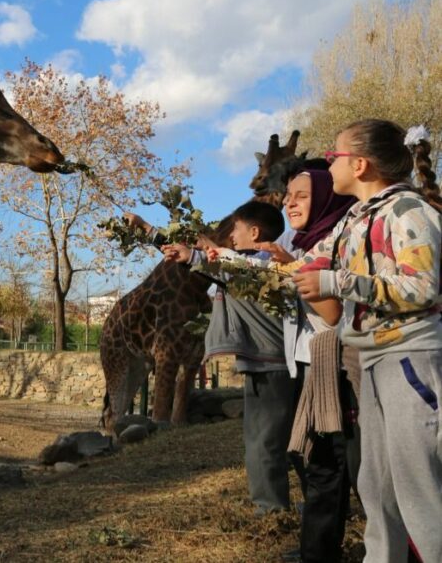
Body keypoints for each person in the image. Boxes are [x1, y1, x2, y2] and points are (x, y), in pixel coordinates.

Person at [290, 119, 442, 563]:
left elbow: (423, 287)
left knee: (420, 487)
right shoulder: (353, 221)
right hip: (375, 361)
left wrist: (336, 281)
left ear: (359, 164)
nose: (329, 163)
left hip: (410, 358)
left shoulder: (408, 212)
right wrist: (208, 256)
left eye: (333, 155)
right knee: (378, 487)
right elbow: (302, 268)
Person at [162, 201, 299, 516]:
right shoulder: (254, 266)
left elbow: (226, 266)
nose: (231, 237)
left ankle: (271, 510)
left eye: (235, 230)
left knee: (264, 442)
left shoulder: (256, 268)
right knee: (280, 440)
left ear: (254, 232)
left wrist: (194, 255)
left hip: (271, 365)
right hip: (268, 365)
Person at [260, 168, 357, 563]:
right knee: (317, 463)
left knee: (337, 466)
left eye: (300, 195)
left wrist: (293, 268)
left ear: (325, 198)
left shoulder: (338, 242)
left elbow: (333, 314)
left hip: (338, 366)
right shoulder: (300, 243)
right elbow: (248, 268)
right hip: (310, 365)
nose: (289, 202)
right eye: (287, 197)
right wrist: (196, 255)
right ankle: (317, 551)